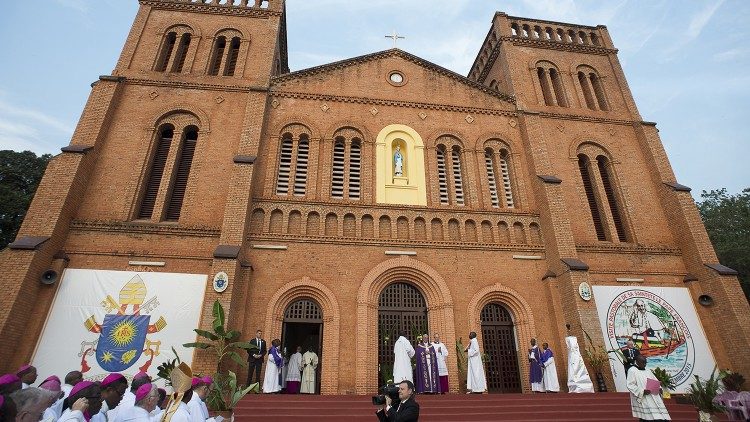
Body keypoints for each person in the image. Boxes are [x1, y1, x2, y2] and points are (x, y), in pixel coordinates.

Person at [626, 355, 671, 421]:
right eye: (643, 362)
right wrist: (642, 391)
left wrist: (659, 387)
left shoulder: (647, 370)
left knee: (659, 415)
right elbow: (630, 385)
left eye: (645, 363)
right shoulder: (632, 370)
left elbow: (654, 380)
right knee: (647, 417)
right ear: (637, 362)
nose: (645, 364)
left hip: (652, 395)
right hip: (642, 397)